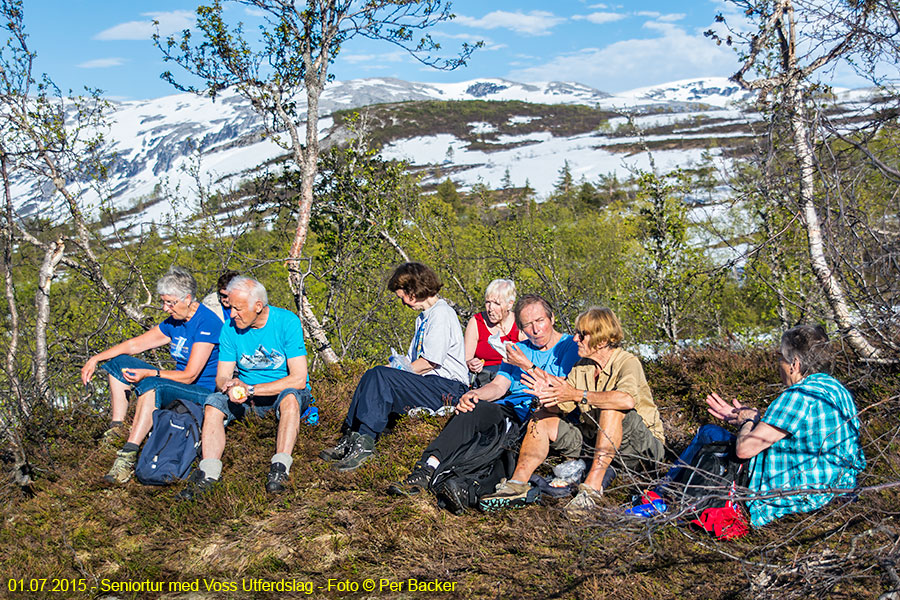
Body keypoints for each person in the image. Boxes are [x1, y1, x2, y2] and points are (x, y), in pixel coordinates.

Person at [632, 325, 866, 528]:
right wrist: (752, 418)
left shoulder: (799, 395)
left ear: (794, 364)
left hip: (793, 496)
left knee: (710, 433)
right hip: (838, 490)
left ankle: (659, 497)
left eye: (781, 359)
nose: (779, 365)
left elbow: (744, 450)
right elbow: (799, 432)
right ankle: (662, 494)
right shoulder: (837, 391)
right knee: (715, 434)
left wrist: (746, 421)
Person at [388, 294, 580, 511]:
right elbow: (499, 386)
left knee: (505, 446)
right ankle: (426, 469)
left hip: (541, 414)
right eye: (528, 325)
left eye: (540, 321)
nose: (536, 330)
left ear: (552, 318)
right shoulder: (519, 349)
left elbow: (562, 391)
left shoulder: (569, 346)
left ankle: (466, 488)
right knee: (471, 410)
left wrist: (526, 365)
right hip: (510, 408)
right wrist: (476, 394)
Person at [479, 307, 664, 515]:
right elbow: (564, 399)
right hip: (595, 441)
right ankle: (517, 485)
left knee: (612, 407)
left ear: (601, 339)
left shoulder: (627, 362)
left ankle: (591, 490)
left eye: (582, 335)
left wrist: (578, 395)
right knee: (541, 417)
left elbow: (626, 399)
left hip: (641, 450)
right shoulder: (582, 367)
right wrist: (546, 399)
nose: (575, 339)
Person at [80, 266, 223, 484]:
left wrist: (149, 372)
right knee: (119, 364)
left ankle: (128, 454)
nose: (165, 308)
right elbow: (135, 344)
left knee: (153, 384)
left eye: (170, 303)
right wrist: (96, 358)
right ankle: (116, 428)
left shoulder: (207, 322)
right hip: (180, 382)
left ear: (187, 298)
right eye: (164, 302)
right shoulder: (175, 321)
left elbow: (189, 375)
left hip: (201, 392)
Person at [320, 262, 468, 472]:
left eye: (402, 297)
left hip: (447, 388)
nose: (404, 303)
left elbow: (430, 362)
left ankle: (366, 444)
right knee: (373, 374)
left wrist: (394, 373)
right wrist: (395, 368)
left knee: (381, 375)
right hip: (429, 384)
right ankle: (352, 436)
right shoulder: (423, 318)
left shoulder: (441, 314)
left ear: (413, 292)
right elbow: (412, 360)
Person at [177, 276, 312, 499]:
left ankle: (280, 468)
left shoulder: (287, 322)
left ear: (258, 306)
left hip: (280, 392)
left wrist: (251, 389)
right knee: (213, 404)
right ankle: (209, 473)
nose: (232, 315)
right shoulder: (230, 328)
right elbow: (222, 376)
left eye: (238, 309)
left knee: (290, 398)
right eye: (230, 308)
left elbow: (298, 379)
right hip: (247, 395)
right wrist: (229, 386)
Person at [464, 279, 522, 388]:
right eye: (488, 302)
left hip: (513, 380)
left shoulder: (520, 323)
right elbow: (466, 358)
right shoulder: (476, 322)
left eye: (496, 303)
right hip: (484, 380)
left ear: (510, 304)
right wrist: (471, 363)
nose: (490, 309)